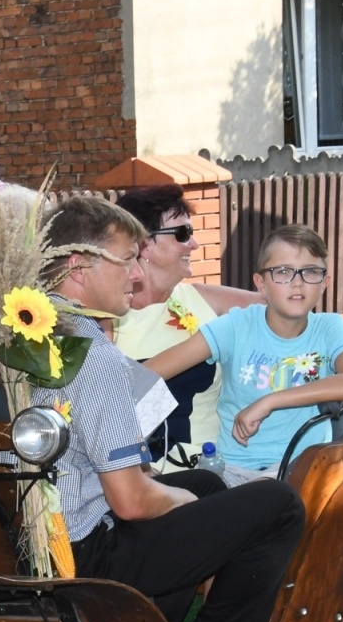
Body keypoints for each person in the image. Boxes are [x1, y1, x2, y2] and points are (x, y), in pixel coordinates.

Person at [31, 197, 307, 622]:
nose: (137, 275)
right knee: (278, 505)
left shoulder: (29, 337)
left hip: (40, 538)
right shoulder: (96, 358)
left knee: (204, 482)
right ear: (78, 269)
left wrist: (187, 495)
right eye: (126, 260)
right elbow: (132, 503)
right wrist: (177, 501)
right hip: (87, 556)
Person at [145, 224, 343, 476]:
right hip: (232, 468)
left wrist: (270, 401)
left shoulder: (329, 328)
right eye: (283, 272)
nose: (297, 283)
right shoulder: (235, 327)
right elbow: (149, 373)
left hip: (301, 469)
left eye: (310, 272)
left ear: (324, 282)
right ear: (261, 283)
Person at [111, 186, 259, 472]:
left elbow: (285, 311)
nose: (194, 244)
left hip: (212, 469)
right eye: (182, 234)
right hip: (136, 479)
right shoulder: (106, 319)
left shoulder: (207, 301)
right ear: (143, 245)